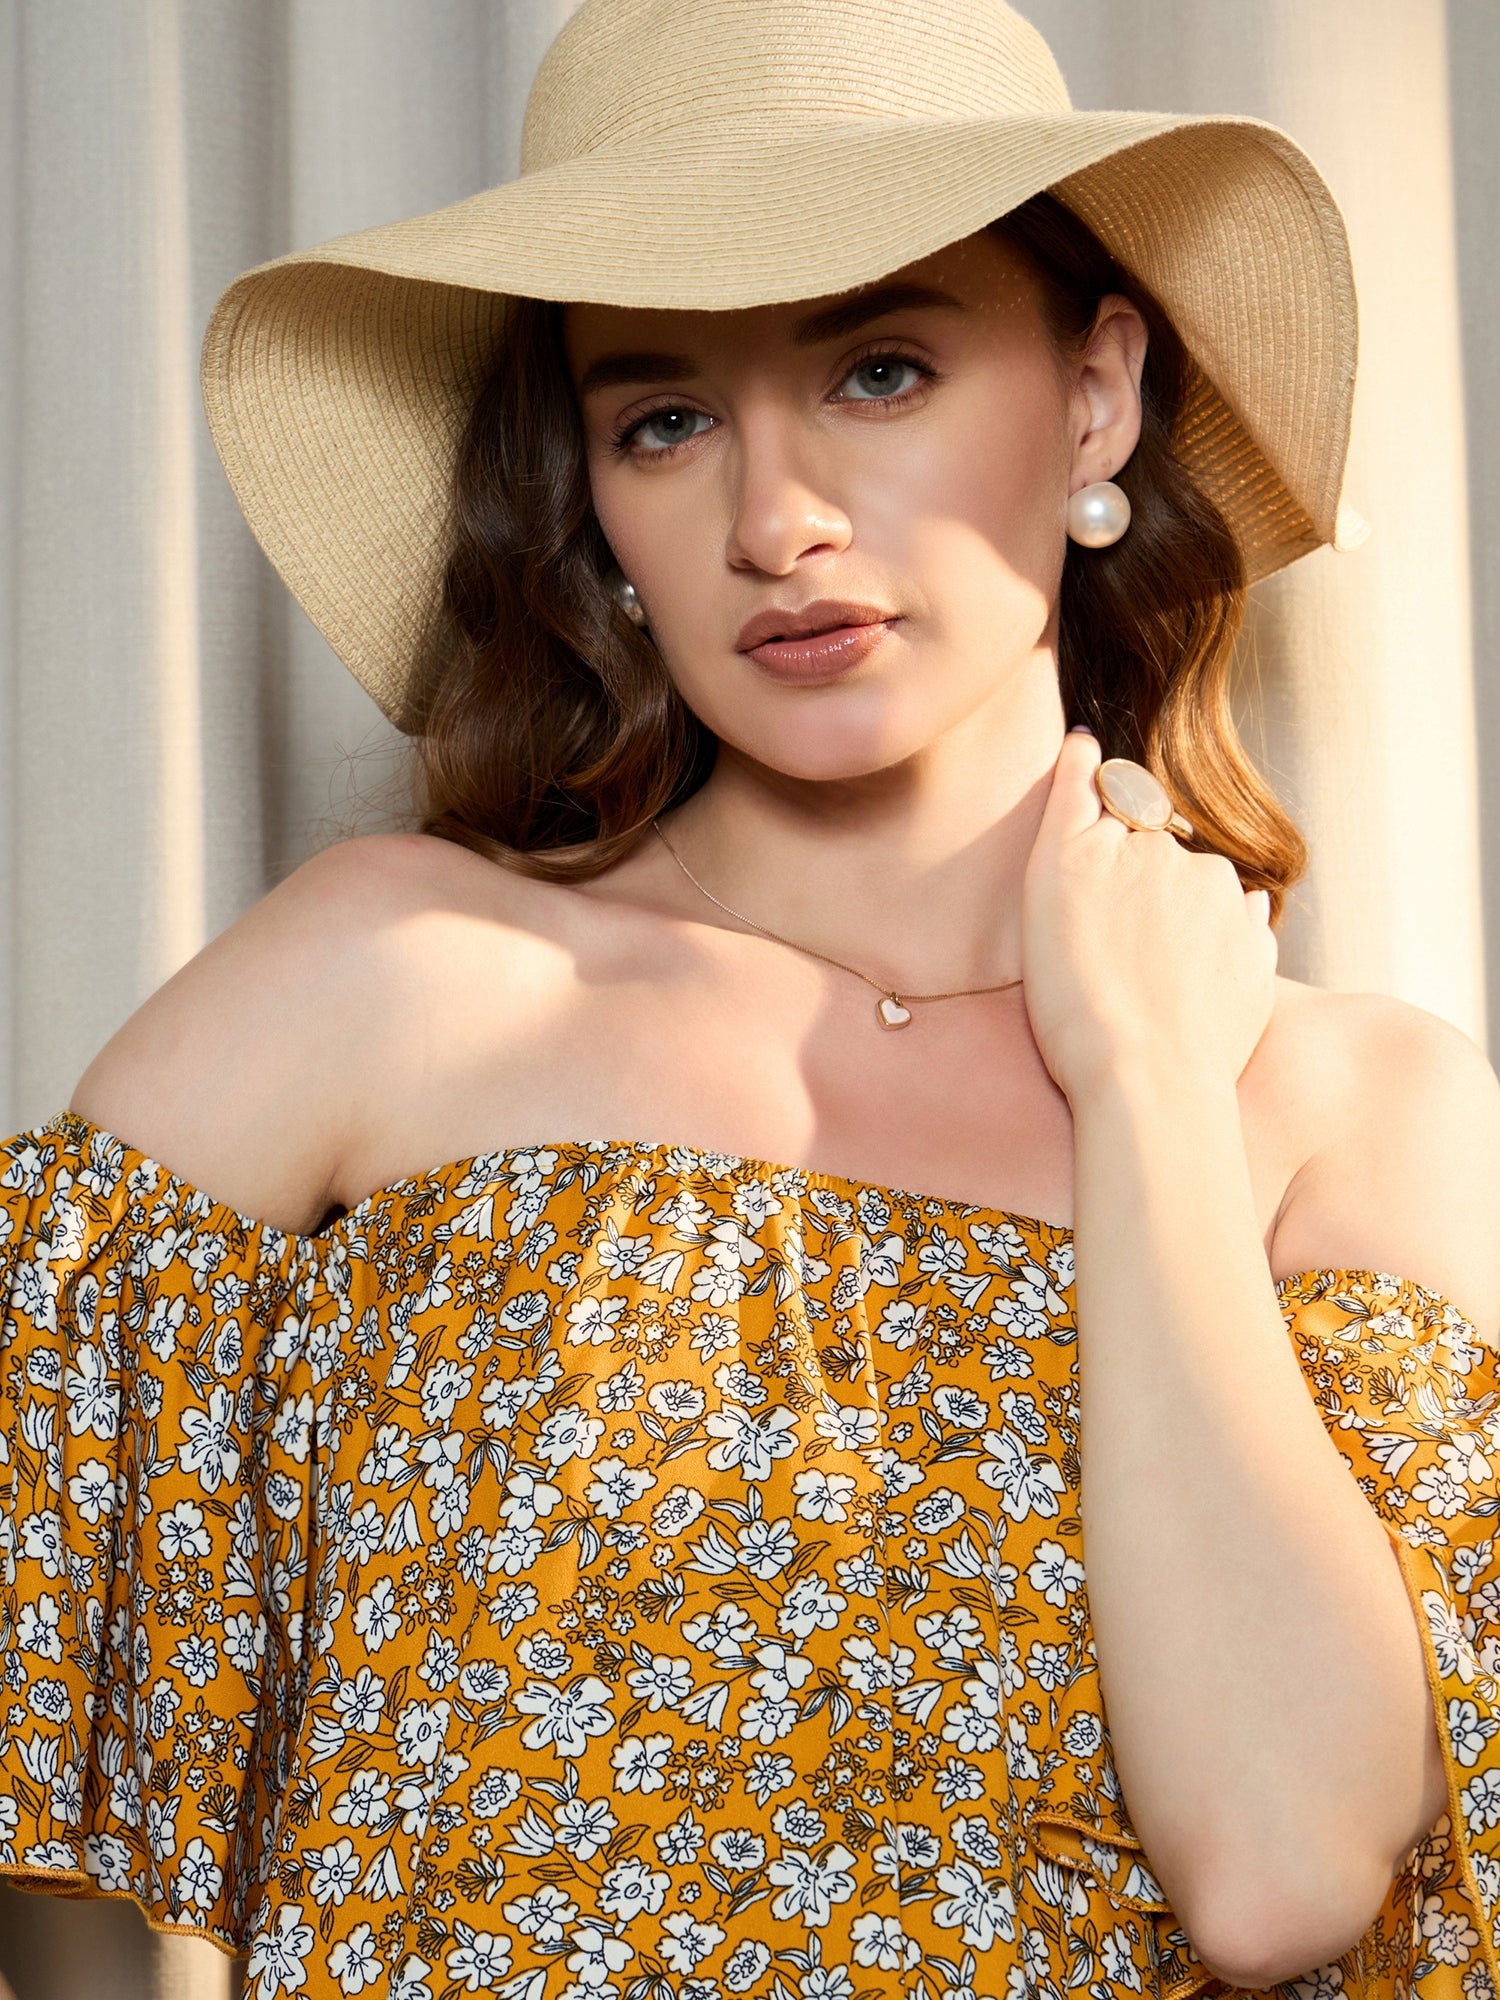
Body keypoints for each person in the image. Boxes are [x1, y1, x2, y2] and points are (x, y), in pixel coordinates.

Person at [4, 1, 1499, 1995]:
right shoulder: (391, 981)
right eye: (664, 419)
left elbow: (1282, 1870)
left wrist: (1146, 1082)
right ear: (593, 499)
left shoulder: (1354, 1115)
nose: (774, 522)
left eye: (879, 369)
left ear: (1096, 397)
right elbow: (46, 1785)